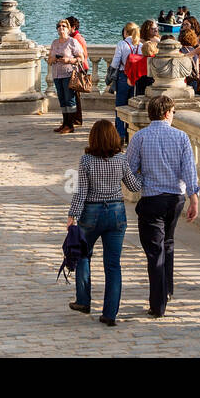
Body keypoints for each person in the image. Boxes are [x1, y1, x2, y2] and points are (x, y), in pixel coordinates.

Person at [126, 95, 200, 318]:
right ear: (167, 113)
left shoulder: (140, 137)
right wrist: (193, 198)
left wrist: (139, 186)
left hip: (152, 198)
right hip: (175, 198)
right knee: (167, 243)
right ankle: (167, 290)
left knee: (155, 251)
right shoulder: (181, 137)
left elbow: (128, 169)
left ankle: (158, 303)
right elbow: (188, 170)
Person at [66, 120, 142, 327]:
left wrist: (72, 215)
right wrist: (143, 171)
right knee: (113, 264)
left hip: (91, 211)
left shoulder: (86, 161)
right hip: (116, 212)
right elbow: (134, 186)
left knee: (83, 255)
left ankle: (83, 300)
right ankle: (110, 313)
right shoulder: (121, 159)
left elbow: (81, 191)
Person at [49, 19, 85, 134]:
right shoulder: (54, 43)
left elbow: (81, 57)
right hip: (57, 75)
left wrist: (69, 60)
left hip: (69, 74)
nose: (61, 28)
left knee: (69, 99)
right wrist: (53, 59)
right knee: (62, 99)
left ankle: (70, 124)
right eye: (59, 26)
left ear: (68, 28)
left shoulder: (72, 42)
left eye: (63, 26)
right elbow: (49, 59)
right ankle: (64, 123)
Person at [109, 22, 140, 143]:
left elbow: (115, 63)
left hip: (123, 76)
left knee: (120, 106)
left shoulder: (122, 44)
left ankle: (120, 134)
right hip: (136, 79)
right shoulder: (141, 45)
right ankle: (131, 133)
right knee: (133, 106)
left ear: (125, 32)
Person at [66, 16, 89, 127]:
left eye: (67, 26)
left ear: (73, 27)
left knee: (75, 95)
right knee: (75, 95)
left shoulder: (76, 38)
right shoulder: (76, 37)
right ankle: (75, 119)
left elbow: (84, 55)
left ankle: (77, 119)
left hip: (79, 69)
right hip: (79, 68)